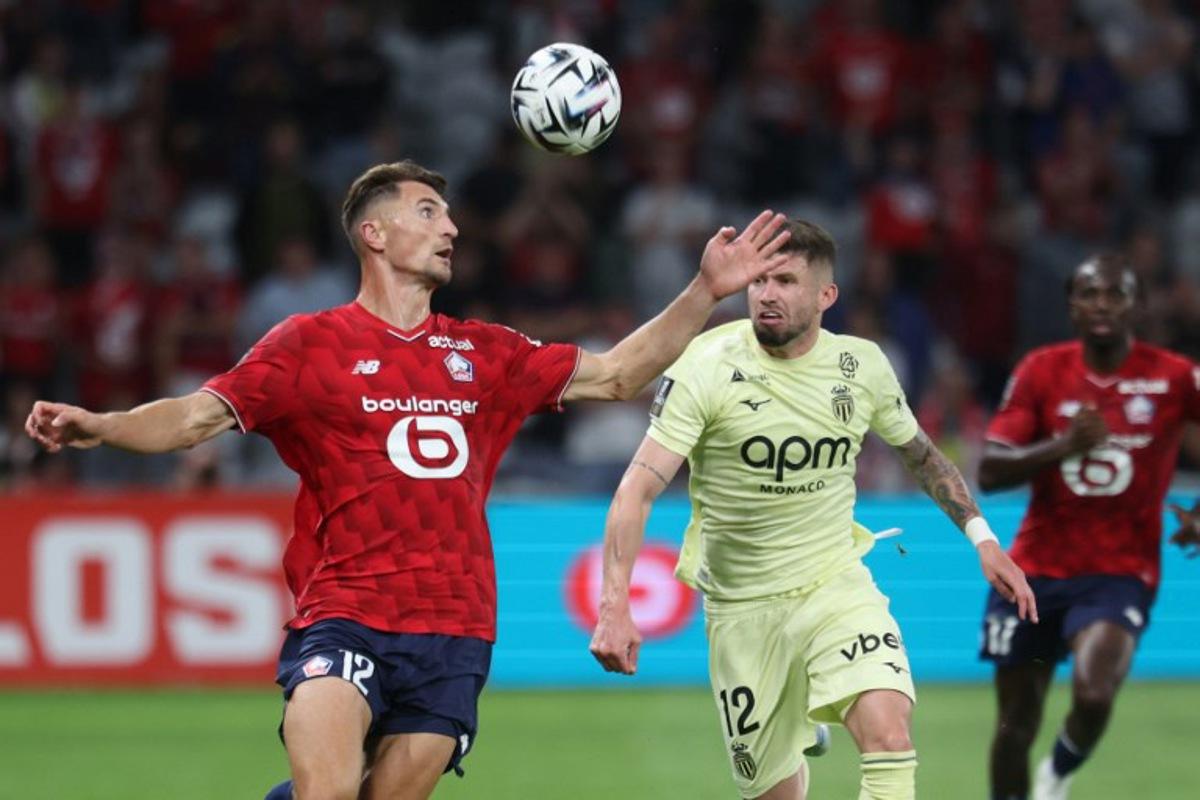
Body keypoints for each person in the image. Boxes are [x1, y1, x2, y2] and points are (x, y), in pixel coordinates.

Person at [23, 160, 794, 800]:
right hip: (345, 612)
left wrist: (705, 292)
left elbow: (621, 374)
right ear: (375, 233)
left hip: (456, 627)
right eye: (429, 212)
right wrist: (102, 424)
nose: (451, 227)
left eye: (449, 216)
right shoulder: (308, 345)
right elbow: (195, 418)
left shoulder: (485, 352)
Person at [589, 219, 1036, 800]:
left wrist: (984, 539)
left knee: (889, 733)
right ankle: (803, 722)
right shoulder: (707, 362)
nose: (767, 293)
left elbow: (924, 457)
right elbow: (638, 488)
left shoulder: (862, 366)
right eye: (759, 280)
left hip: (834, 584)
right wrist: (614, 605)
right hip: (742, 608)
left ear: (827, 296)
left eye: (787, 281)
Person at [976, 254, 1200, 800]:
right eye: (1090, 294)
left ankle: (1057, 773)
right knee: (1014, 725)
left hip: (1119, 571)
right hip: (1031, 572)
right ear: (1072, 307)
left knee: (1095, 694)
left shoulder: (1174, 377)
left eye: (1116, 294)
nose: (1103, 305)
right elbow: (988, 470)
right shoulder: (1040, 370)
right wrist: (1063, 446)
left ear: (1138, 306)